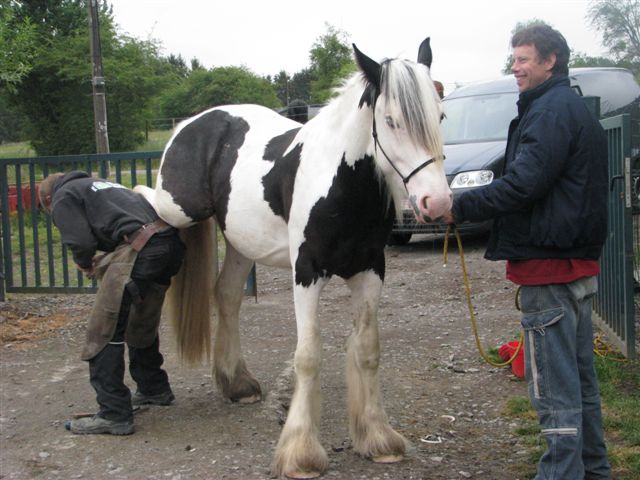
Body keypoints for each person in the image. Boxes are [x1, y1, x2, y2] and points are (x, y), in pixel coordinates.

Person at [443, 24, 610, 479]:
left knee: (554, 391)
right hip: (574, 264)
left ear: (549, 60)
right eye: (513, 59)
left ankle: (560, 474)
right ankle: (593, 471)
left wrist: (457, 205)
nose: (514, 67)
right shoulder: (569, 107)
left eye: (523, 59)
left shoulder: (551, 112)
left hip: (549, 269)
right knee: (579, 385)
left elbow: (522, 185)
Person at [39, 171, 185, 435]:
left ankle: (114, 413)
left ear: (47, 199)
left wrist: (83, 262)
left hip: (140, 249)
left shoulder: (63, 196)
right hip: (168, 245)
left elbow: (80, 241)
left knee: (104, 329)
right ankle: (154, 388)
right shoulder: (104, 184)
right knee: (141, 319)